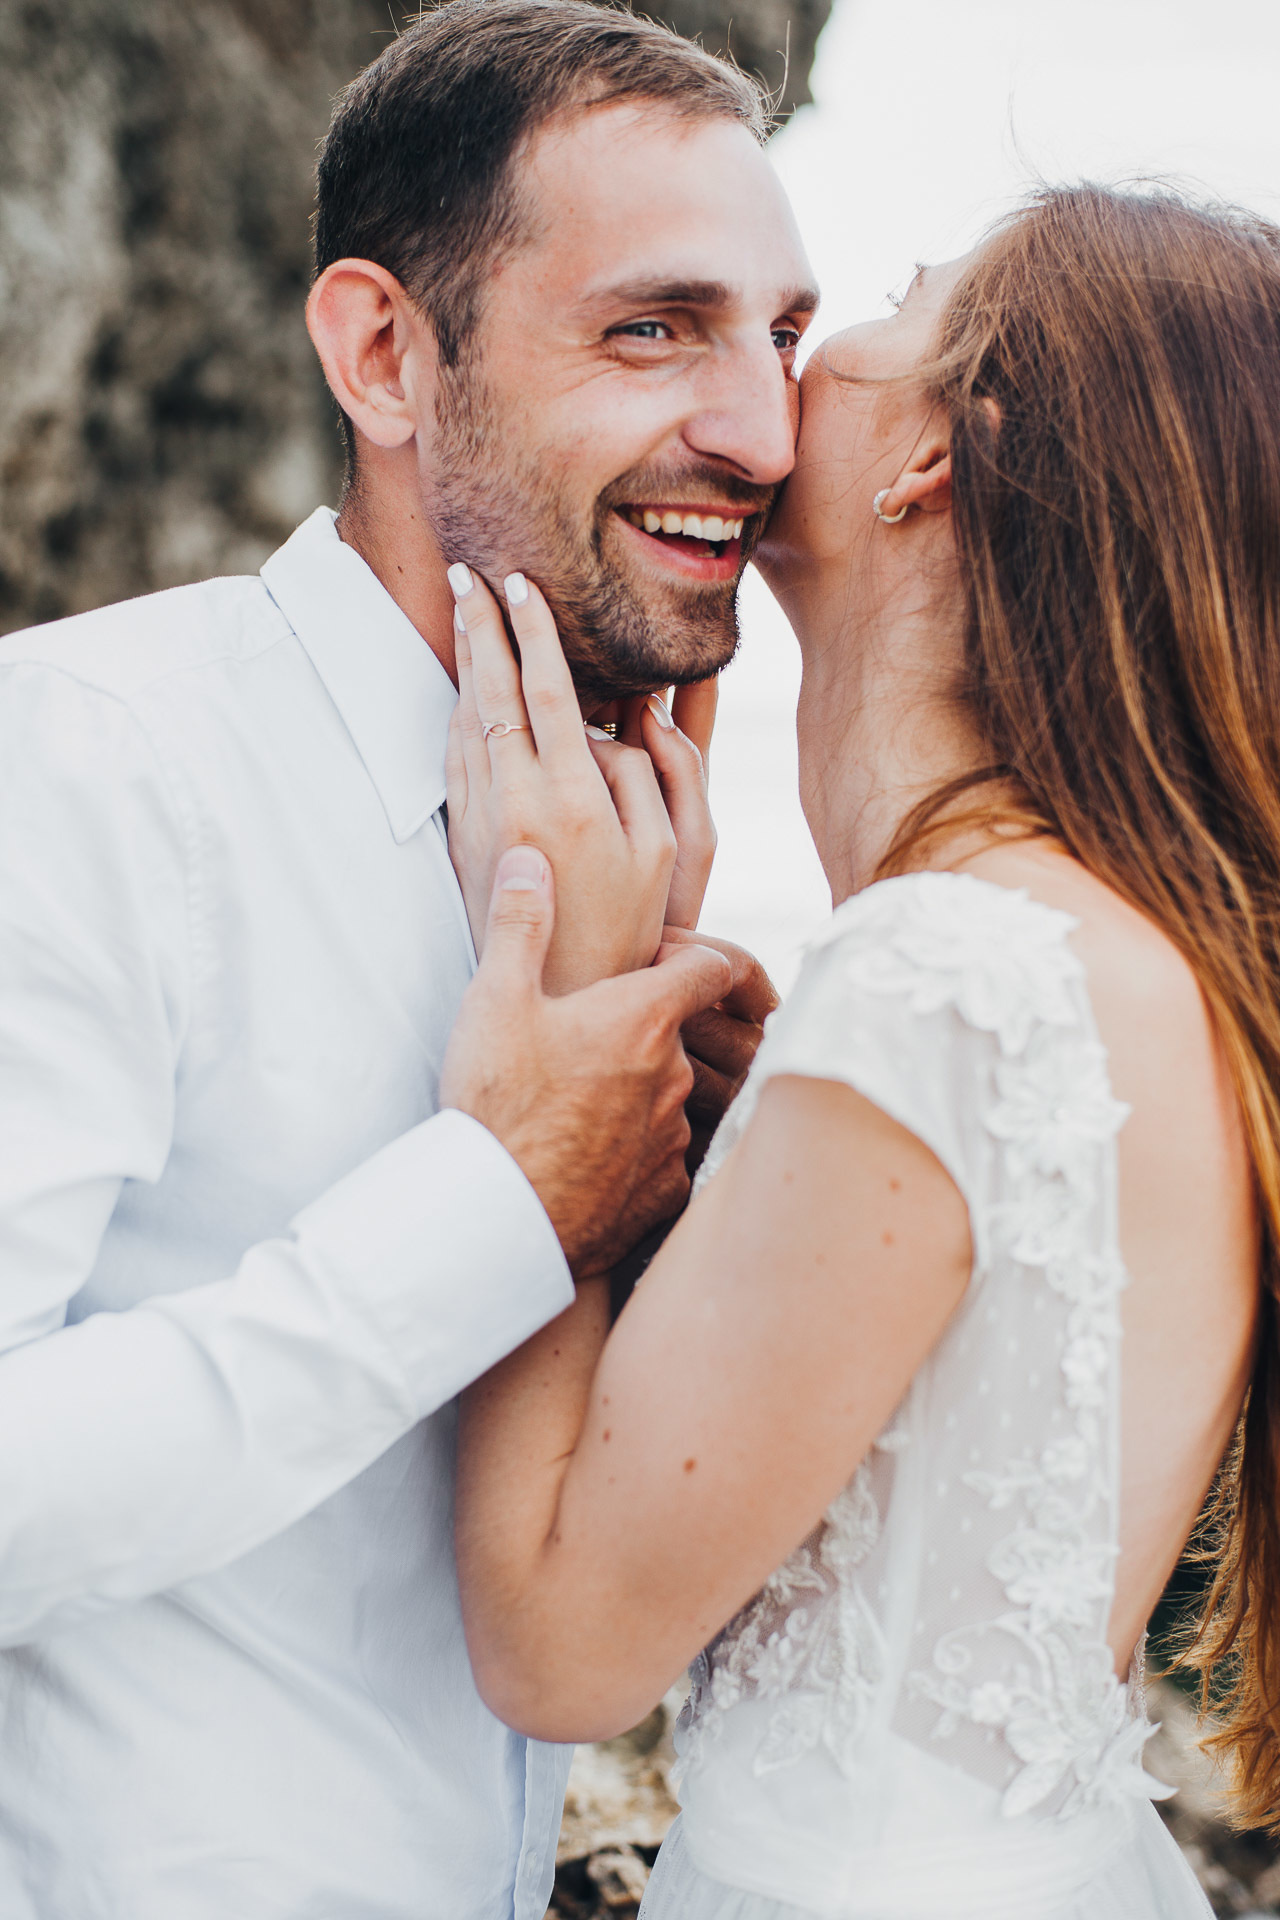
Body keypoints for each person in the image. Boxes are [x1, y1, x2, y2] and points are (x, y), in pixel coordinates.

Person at [0, 5, 813, 1915]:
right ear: (384, 354)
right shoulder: (78, 764)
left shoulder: (640, 858)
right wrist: (499, 1202)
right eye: (653, 327)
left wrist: (692, 1213)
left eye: (780, 336)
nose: (764, 434)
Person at [448, 183, 1280, 1919]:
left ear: (939, 460)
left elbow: (557, 1649)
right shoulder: (1147, 955)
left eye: (872, 313)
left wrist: (568, 1043)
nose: (778, 374)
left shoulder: (943, 975)